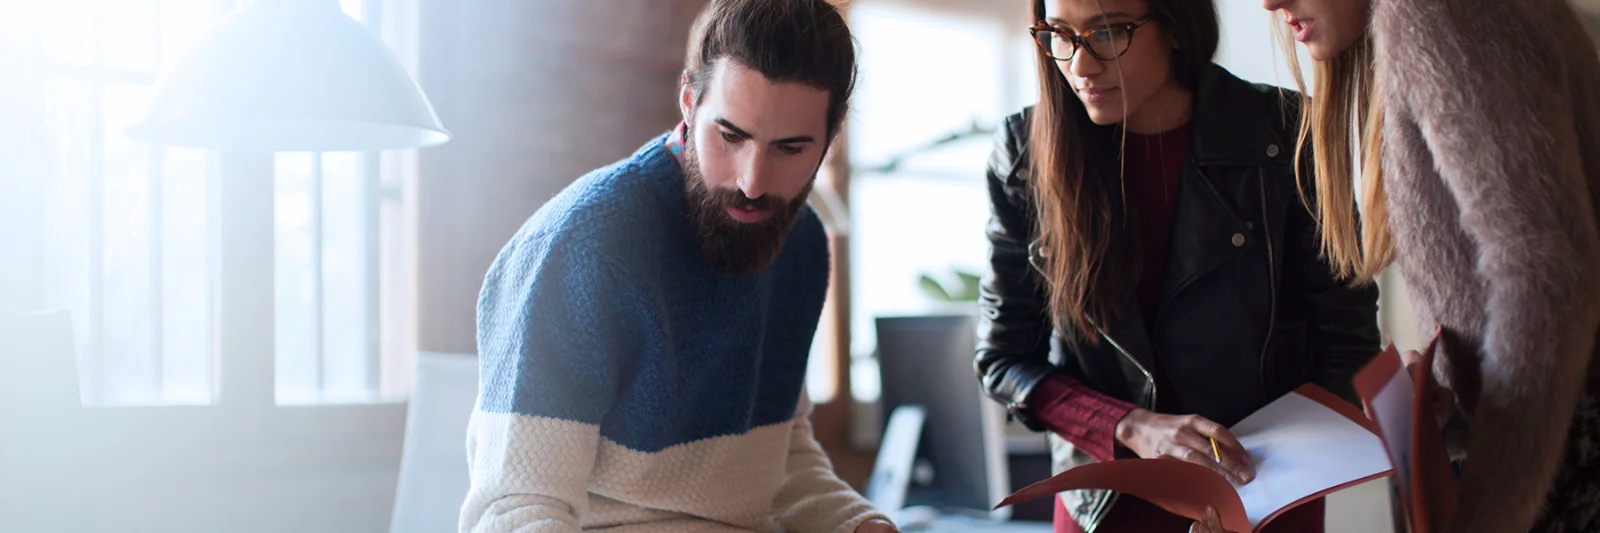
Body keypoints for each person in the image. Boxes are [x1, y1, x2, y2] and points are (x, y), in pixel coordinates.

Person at [459, 1, 896, 531]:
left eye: (789, 148)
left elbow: (781, 464)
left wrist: (859, 525)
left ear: (832, 136)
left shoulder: (800, 242)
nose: (752, 181)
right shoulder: (583, 247)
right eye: (730, 137)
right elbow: (516, 510)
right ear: (690, 101)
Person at [974, 0, 1382, 532]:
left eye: (1108, 33)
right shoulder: (1025, 152)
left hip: (1261, 496)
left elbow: (1348, 351)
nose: (1079, 65)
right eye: (1058, 35)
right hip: (1105, 504)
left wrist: (1260, 496)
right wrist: (1130, 425)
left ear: (1174, 25)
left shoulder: (1284, 133)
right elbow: (1003, 361)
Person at [1258, 0, 1600, 531]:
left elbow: (1544, 276)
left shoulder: (1433, 13)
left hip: (1554, 466)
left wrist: (1485, 513)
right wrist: (1452, 401)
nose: (1267, 2)